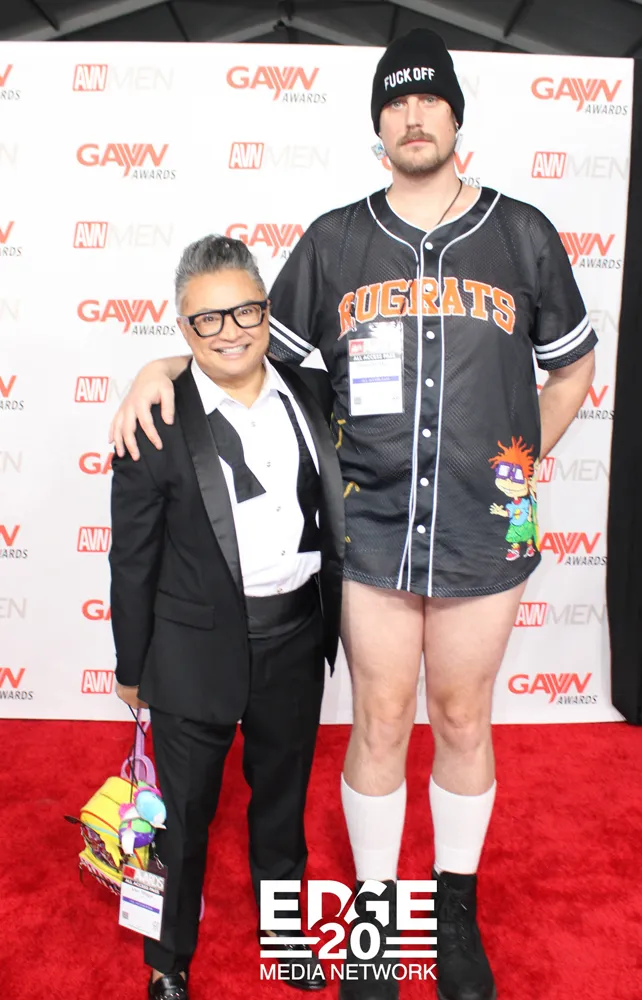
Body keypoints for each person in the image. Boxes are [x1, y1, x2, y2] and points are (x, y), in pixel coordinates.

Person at [110, 29, 596, 1000]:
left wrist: (516, 463)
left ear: (455, 117)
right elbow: (251, 353)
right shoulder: (335, 241)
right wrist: (161, 362)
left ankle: (451, 915)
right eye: (395, 102)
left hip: (483, 530)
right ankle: (377, 921)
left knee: (461, 718)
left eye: (429, 100)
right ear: (378, 126)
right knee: (376, 718)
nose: (413, 116)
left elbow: (571, 365)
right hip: (368, 531)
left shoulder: (521, 232)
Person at [110, 235, 344, 1000]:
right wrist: (131, 666)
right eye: (206, 320)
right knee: (180, 819)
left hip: (295, 639)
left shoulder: (313, 394)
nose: (230, 331)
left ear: (267, 311)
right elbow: (132, 557)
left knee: (281, 804)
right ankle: (166, 960)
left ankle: (284, 933)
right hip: (190, 653)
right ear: (183, 328)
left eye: (245, 310)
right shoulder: (155, 418)